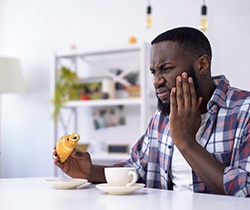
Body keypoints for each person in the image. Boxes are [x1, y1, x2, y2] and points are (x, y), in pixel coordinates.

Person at [53, 27, 250, 197]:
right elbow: (136, 168)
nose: (157, 81)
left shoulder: (244, 110)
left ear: (202, 65)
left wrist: (185, 142)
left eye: (166, 69)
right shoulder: (162, 117)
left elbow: (245, 190)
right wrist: (90, 171)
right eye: (154, 72)